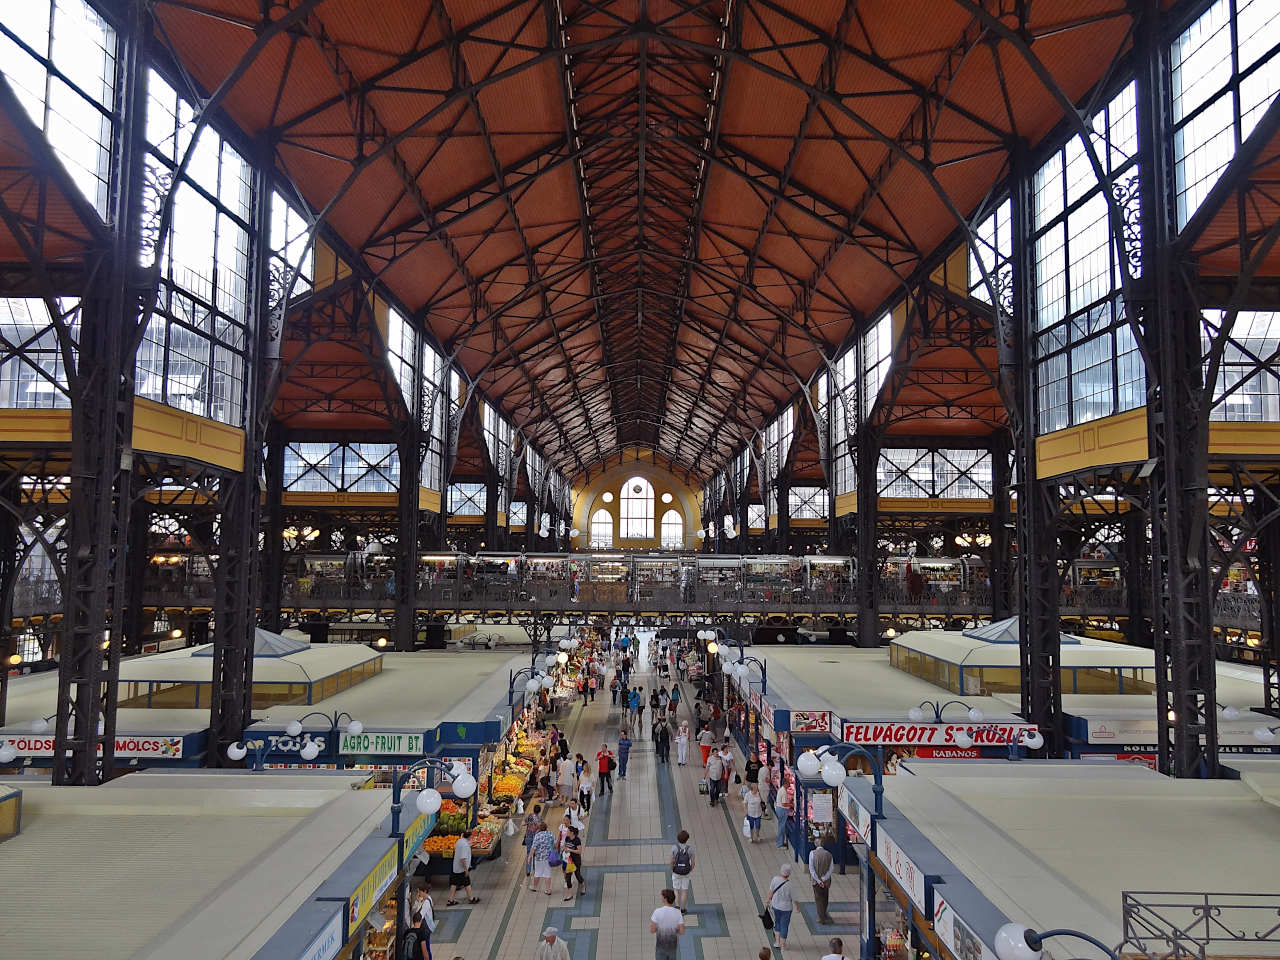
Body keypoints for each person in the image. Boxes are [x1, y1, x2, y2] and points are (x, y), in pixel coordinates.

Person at [649, 888, 686, 960]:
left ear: (665, 899)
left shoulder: (657, 912)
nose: (661, 897)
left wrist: (660, 928)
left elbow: (652, 930)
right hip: (672, 947)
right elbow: (682, 931)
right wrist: (674, 929)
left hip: (660, 947)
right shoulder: (678, 912)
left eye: (662, 896)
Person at [446, 829, 479, 905]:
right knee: (467, 883)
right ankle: (471, 899)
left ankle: (450, 900)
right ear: (470, 836)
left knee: (454, 883)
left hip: (456, 868)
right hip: (461, 869)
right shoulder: (464, 845)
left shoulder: (459, 841)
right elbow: (463, 858)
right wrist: (466, 870)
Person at [809, 830, 835, 924]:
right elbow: (831, 868)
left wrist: (818, 880)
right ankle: (824, 913)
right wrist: (824, 879)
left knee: (818, 898)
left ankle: (821, 917)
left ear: (816, 845)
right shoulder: (829, 854)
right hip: (826, 881)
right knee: (825, 897)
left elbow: (811, 869)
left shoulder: (812, 854)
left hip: (816, 881)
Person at [767, 864, 794, 950]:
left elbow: (771, 891)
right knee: (784, 926)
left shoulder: (775, 879)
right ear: (789, 874)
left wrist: (767, 900)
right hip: (786, 908)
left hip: (776, 906)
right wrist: (797, 906)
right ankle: (783, 945)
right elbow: (794, 898)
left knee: (777, 923)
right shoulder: (790, 885)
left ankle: (777, 942)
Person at [669, 829, 695, 913]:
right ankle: (683, 910)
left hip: (676, 872)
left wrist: (672, 869)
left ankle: (677, 906)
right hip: (686, 873)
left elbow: (671, 861)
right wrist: (689, 870)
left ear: (678, 838)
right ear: (687, 839)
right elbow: (693, 863)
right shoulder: (690, 849)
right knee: (684, 891)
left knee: (676, 890)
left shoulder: (674, 848)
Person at [528, 820, 556, 894]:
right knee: (547, 873)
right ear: (546, 827)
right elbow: (555, 844)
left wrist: (530, 857)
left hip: (539, 858)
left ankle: (534, 887)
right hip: (549, 857)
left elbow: (533, 847)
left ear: (539, 828)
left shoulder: (538, 836)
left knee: (537, 873)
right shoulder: (551, 834)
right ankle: (548, 890)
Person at [561, 823, 585, 901]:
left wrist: (570, 850)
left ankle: (583, 886)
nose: (566, 832)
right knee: (568, 877)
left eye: (568, 831)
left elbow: (579, 851)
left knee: (577, 875)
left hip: (576, 860)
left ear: (572, 832)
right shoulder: (567, 838)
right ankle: (569, 894)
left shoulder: (577, 840)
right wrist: (564, 849)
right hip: (569, 861)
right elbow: (564, 845)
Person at [523, 803, 544, 875]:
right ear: (539, 811)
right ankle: (536, 869)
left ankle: (528, 870)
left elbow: (523, 823)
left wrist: (528, 824)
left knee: (529, 853)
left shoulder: (529, 816)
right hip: (536, 838)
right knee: (536, 854)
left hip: (528, 837)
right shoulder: (540, 819)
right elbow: (542, 828)